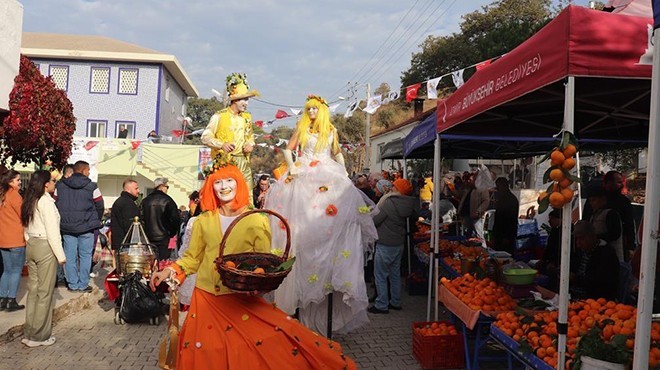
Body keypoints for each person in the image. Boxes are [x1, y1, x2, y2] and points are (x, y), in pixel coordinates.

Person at [149, 161, 356, 369]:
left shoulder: (256, 219)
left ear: (239, 183)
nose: (224, 186)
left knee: (258, 347)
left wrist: (256, 285)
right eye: (218, 182)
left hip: (241, 297)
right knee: (208, 353)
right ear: (211, 186)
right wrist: (170, 270)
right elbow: (192, 258)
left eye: (229, 180)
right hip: (206, 298)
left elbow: (262, 262)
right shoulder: (203, 220)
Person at [265, 95, 378, 335]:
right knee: (300, 220)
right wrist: (293, 167)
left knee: (337, 219)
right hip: (305, 174)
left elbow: (336, 153)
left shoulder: (331, 131)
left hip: (328, 173)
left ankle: (329, 270)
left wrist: (345, 173)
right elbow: (288, 149)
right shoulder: (302, 128)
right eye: (309, 108)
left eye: (316, 108)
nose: (312, 111)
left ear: (323, 111)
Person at [21, 170, 66, 347]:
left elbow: (25, 226)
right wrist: (61, 256)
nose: (55, 183)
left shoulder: (30, 199)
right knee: (45, 293)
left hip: (32, 244)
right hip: (45, 245)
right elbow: (53, 231)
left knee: (34, 291)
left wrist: (28, 241)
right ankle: (40, 336)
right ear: (46, 184)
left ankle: (30, 332)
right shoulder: (46, 201)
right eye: (53, 181)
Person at [201, 72, 259, 203]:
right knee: (226, 196)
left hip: (243, 160)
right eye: (244, 100)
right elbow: (205, 137)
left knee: (247, 194)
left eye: (247, 100)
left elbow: (250, 137)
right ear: (235, 100)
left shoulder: (247, 117)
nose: (246, 104)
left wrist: (250, 144)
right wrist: (221, 144)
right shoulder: (219, 116)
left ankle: (248, 220)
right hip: (225, 161)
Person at [368, 178, 419, 314]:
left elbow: (376, 220)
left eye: (394, 186)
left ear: (397, 189)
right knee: (395, 275)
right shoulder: (408, 203)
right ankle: (395, 302)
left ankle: (382, 304)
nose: (391, 188)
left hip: (385, 243)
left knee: (380, 275)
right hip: (398, 243)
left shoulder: (389, 202)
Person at [54, 161, 104, 292]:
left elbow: (54, 203)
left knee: (69, 257)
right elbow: (100, 205)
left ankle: (72, 284)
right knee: (85, 256)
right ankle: (83, 284)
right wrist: (95, 220)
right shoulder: (92, 186)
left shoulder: (60, 185)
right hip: (86, 227)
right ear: (82, 170)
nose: (89, 173)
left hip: (66, 227)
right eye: (88, 170)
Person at [582, 170, 635, 261]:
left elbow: (628, 224)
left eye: (621, 182)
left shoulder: (623, 202)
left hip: (615, 249)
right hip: (593, 249)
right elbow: (585, 221)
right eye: (618, 182)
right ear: (607, 183)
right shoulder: (595, 199)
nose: (621, 185)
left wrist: (630, 246)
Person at [569, 220, 619, 300]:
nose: (578, 244)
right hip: (574, 295)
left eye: (581, 239)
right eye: (576, 239)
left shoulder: (606, 253)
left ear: (591, 236)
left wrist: (575, 278)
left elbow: (600, 283)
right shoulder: (581, 251)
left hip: (595, 300)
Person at [0, 170, 26, 311]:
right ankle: (12, 301)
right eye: (18, 180)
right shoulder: (14, 195)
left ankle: (2, 299)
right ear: (10, 182)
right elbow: (23, 215)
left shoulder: (2, 195)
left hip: (3, 238)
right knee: (16, 271)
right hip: (15, 238)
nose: (20, 182)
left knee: (7, 270)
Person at [140, 177, 180, 261]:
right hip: (163, 237)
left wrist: (144, 233)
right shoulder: (168, 200)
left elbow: (141, 219)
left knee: (149, 262)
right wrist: (171, 233)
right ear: (161, 186)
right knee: (162, 263)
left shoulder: (145, 201)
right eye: (167, 187)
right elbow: (175, 219)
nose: (167, 189)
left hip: (148, 237)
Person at [585, 185, 624, 262]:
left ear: (603, 200)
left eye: (594, 200)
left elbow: (615, 234)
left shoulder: (611, 214)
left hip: (611, 258)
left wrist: (595, 237)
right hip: (598, 256)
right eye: (590, 201)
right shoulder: (593, 215)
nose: (591, 203)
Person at [110, 179, 140, 251]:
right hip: (126, 244)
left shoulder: (122, 201)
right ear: (128, 190)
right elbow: (130, 226)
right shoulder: (127, 203)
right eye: (136, 188)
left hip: (121, 243)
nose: (138, 191)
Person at [492, 177, 519, 254]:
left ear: (503, 186)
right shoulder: (502, 198)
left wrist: (507, 237)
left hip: (506, 236)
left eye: (498, 186)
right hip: (499, 234)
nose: (497, 189)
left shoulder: (511, 200)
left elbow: (511, 220)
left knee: (506, 256)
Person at [537, 208, 562, 291]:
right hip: (550, 261)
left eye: (552, 219)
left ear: (559, 219)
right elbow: (549, 247)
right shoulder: (554, 230)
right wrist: (543, 259)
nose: (549, 221)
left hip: (558, 262)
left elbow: (558, 249)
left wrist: (554, 263)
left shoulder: (565, 231)